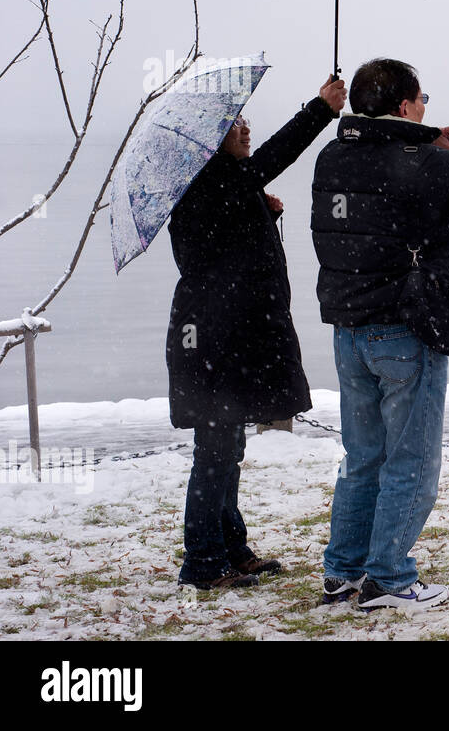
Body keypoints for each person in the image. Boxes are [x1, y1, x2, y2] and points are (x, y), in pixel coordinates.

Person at [311, 57, 449, 611]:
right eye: (423, 100)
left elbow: (386, 179)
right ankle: (389, 577)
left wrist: (427, 141)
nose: (427, 107)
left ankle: (343, 570)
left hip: (349, 330)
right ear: (406, 105)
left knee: (363, 456)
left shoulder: (333, 156)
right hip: (406, 331)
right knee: (411, 459)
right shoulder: (421, 163)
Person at [167, 75, 345, 590]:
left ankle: (230, 547)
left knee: (228, 447)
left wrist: (257, 212)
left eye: (244, 119)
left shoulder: (221, 183)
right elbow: (275, 155)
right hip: (211, 340)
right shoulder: (209, 180)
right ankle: (202, 563)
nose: (244, 128)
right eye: (233, 124)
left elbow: (226, 239)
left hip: (228, 334)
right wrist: (321, 108)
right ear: (208, 139)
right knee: (215, 448)